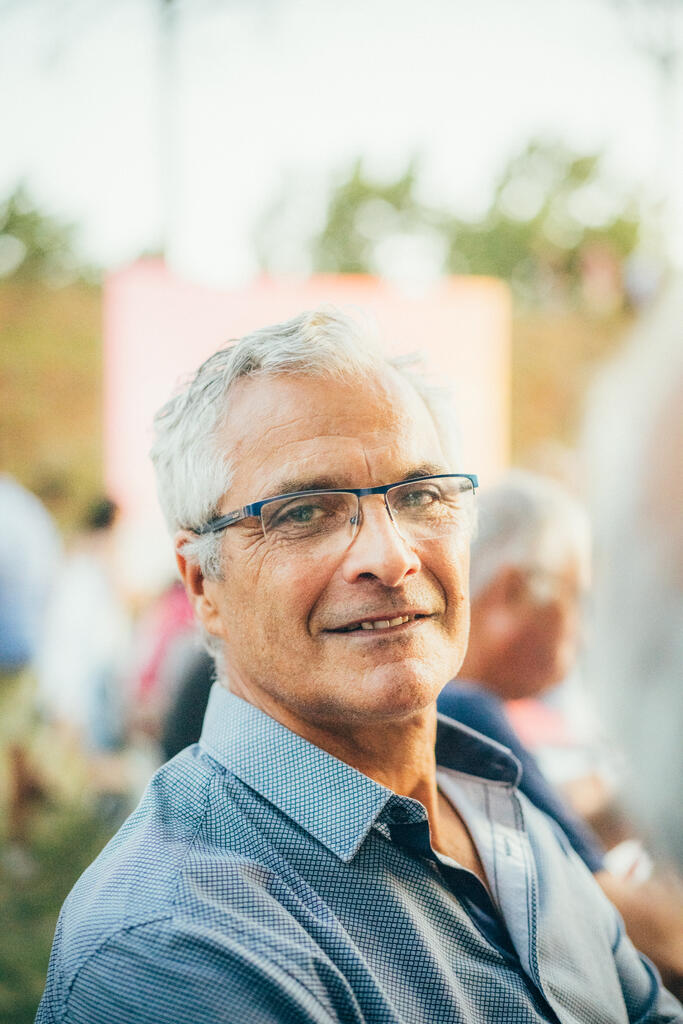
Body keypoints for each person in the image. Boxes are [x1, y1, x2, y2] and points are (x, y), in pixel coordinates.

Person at [37, 309, 681, 1022]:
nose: (390, 555)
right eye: (304, 511)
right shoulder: (174, 943)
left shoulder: (501, 810)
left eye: (419, 495)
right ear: (202, 587)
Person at [437, 470, 683, 994]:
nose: (585, 632)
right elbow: (641, 926)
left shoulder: (451, 706)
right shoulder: (465, 708)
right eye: (577, 599)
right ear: (512, 590)